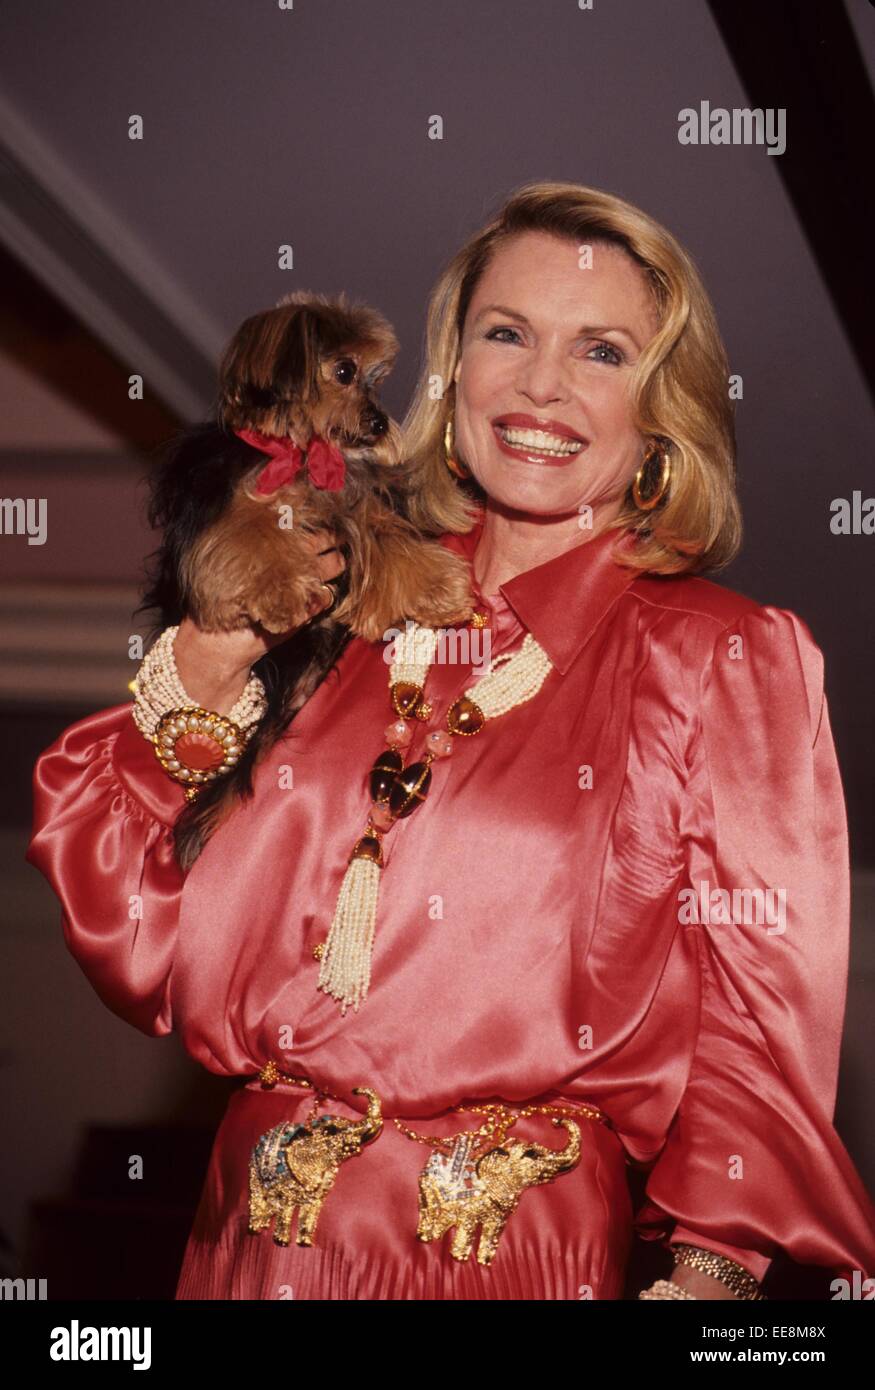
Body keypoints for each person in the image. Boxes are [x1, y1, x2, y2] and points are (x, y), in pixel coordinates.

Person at [25, 181, 875, 1301]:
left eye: (603, 351)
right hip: (246, 1247)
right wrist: (200, 664)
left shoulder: (721, 653)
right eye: (505, 333)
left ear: (659, 405)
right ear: (452, 366)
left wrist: (708, 1282)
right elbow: (143, 940)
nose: (540, 385)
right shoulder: (334, 602)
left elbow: (755, 1016)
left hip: (504, 1257)